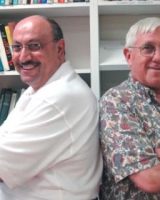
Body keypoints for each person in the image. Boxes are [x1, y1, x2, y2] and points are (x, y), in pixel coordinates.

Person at [0, 15, 102, 200]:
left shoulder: (59, 98)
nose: (23, 57)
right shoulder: (40, 89)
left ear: (60, 48)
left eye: (34, 46)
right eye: (17, 47)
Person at [99, 17, 160, 200]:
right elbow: (150, 180)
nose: (158, 57)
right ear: (129, 56)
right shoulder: (116, 102)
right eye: (148, 48)